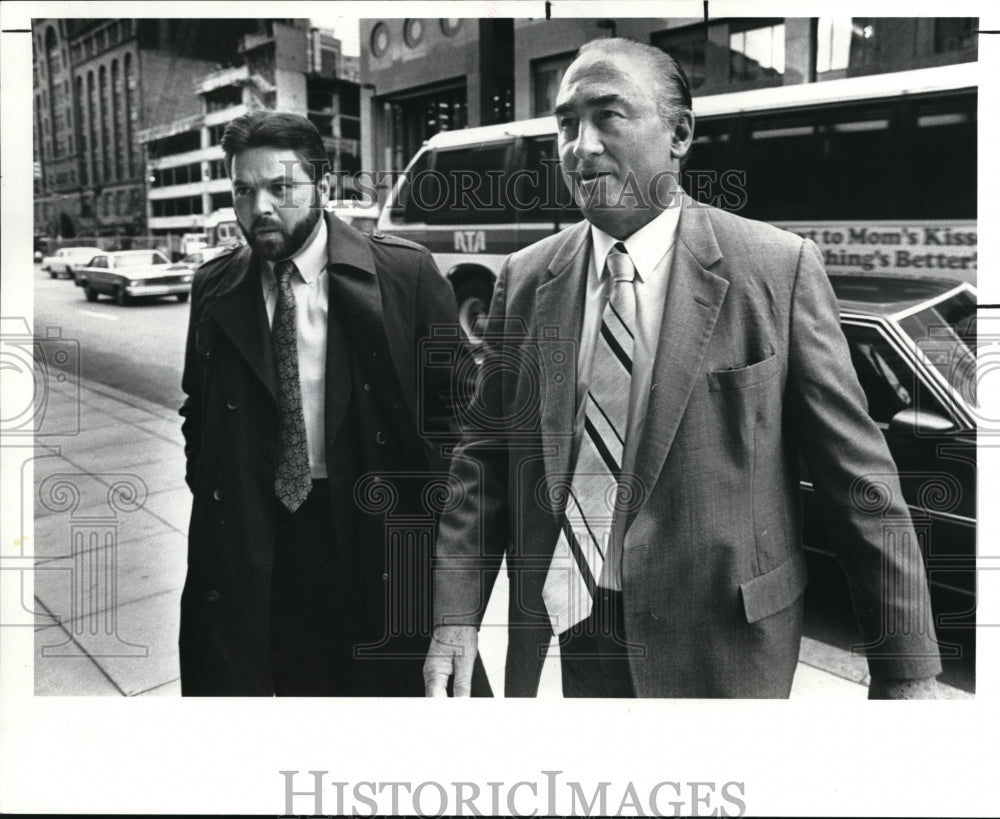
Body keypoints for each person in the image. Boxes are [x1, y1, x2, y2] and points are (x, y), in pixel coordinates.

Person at [423, 38, 942, 698]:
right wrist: (454, 619)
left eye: (608, 115)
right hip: (565, 641)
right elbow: (484, 460)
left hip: (722, 650)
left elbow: (858, 481)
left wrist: (907, 667)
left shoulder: (776, 270)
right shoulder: (525, 281)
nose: (580, 146)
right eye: (565, 123)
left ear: (680, 133)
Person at [179, 111, 489, 696]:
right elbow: (197, 406)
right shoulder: (214, 285)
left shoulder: (405, 274)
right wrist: (215, 489)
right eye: (243, 191)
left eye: (281, 187)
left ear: (321, 185)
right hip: (265, 542)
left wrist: (443, 548)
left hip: (375, 537)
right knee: (293, 702)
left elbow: (459, 424)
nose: (260, 207)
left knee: (395, 710)